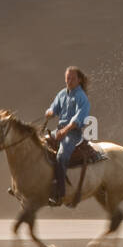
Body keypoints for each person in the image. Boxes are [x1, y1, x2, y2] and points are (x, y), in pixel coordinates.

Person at [44, 66, 90, 207]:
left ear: (79, 80)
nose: (69, 81)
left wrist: (65, 131)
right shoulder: (62, 94)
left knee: (61, 157)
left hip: (73, 133)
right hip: (59, 131)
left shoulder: (81, 97)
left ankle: (60, 194)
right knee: (38, 147)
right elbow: (54, 108)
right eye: (67, 78)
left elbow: (79, 118)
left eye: (72, 78)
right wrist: (50, 112)